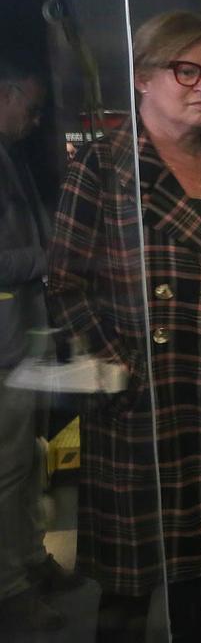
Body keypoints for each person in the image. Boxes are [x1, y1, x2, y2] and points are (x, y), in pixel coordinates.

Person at [47, 12, 201, 643]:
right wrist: (119, 366)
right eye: (188, 70)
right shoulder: (102, 169)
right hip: (146, 405)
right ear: (144, 76)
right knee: (130, 586)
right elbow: (64, 283)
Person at [0, 57, 84, 633]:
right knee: (7, 467)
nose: (33, 121)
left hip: (19, 339)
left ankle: (28, 559)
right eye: (28, 108)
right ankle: (9, 584)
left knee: (25, 461)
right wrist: (51, 259)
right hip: (5, 343)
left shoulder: (11, 156)